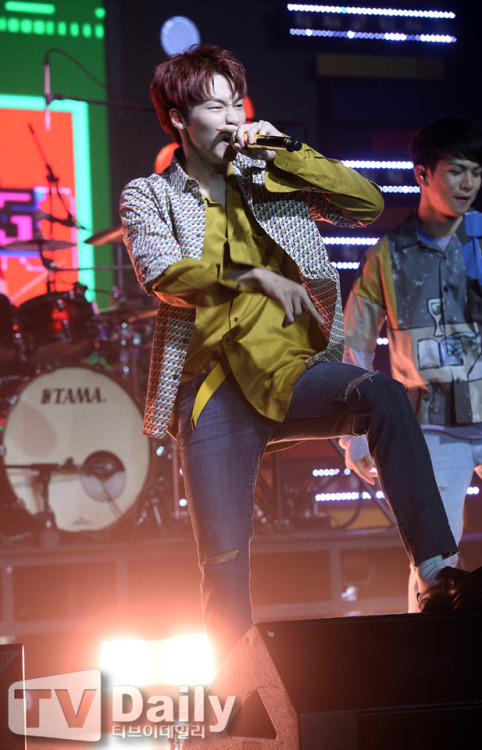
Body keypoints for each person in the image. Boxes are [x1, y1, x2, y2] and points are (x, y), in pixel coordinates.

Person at [120, 46, 482, 667]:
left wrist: (286, 149)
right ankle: (237, 706)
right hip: (216, 393)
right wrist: (251, 277)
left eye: (237, 103)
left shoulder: (269, 172)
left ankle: (436, 573)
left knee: (382, 396)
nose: (233, 118)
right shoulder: (149, 195)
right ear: (179, 117)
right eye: (215, 105)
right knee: (225, 564)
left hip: (294, 374)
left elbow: (366, 204)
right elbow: (162, 271)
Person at [342, 114, 482, 612]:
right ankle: (433, 662)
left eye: (476, 172)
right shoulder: (389, 254)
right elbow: (357, 341)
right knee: (433, 558)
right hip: (431, 426)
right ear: (422, 174)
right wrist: (353, 431)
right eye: (455, 171)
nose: (468, 183)